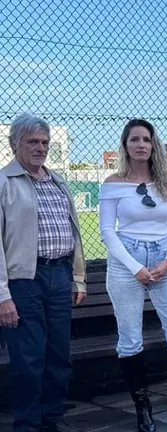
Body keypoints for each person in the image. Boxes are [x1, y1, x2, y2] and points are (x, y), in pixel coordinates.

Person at [98, 119, 167, 432]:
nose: (141, 144)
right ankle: (143, 410)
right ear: (126, 144)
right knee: (130, 340)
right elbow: (107, 231)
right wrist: (136, 268)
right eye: (134, 139)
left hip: (163, 261)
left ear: (153, 144)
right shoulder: (113, 182)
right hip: (126, 260)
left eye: (146, 139)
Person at [0, 113, 87, 432]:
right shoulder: (3, 183)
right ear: (14, 144)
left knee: (58, 355)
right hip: (23, 282)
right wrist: (2, 296)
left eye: (45, 142)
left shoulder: (59, 181)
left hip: (59, 276)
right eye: (32, 141)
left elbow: (74, 233)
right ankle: (27, 424)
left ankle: (52, 419)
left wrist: (77, 278)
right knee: (28, 359)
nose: (40, 148)